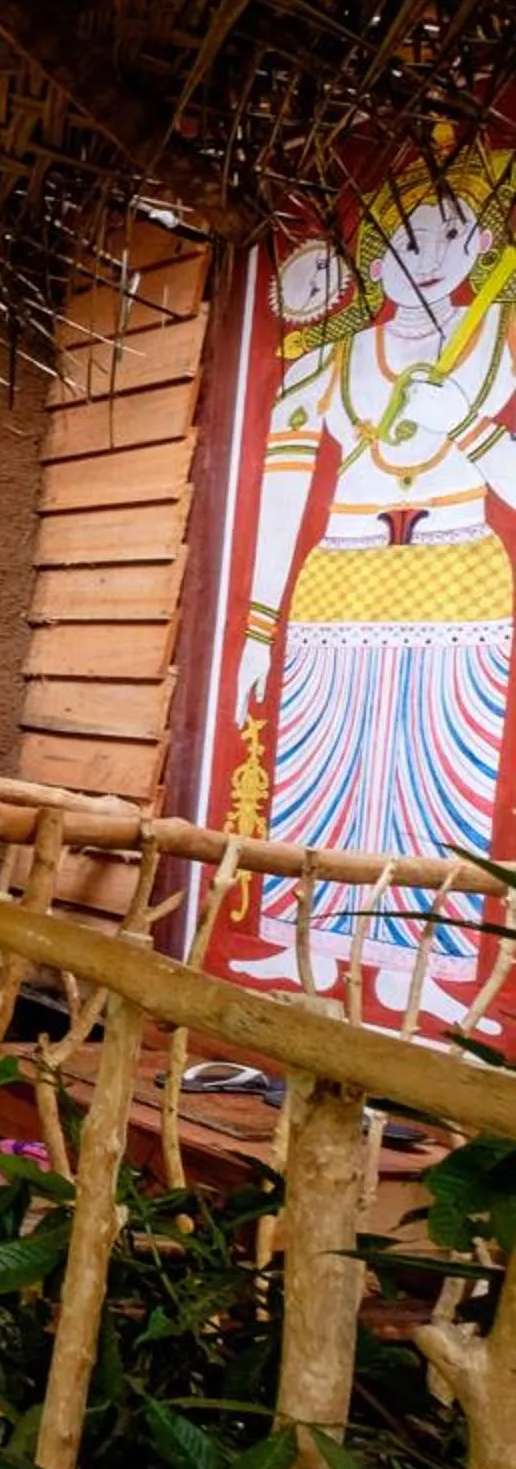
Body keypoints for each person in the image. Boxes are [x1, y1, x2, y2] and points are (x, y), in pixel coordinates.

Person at [228, 145, 516, 1024]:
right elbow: (283, 490)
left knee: (441, 774)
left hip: (459, 566)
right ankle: (304, 937)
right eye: (411, 230)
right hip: (339, 573)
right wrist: (256, 631)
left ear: (479, 253)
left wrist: (466, 433)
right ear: (379, 247)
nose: (428, 249)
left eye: (454, 231)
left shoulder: (501, 347)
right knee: (324, 767)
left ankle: (425, 959)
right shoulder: (332, 359)